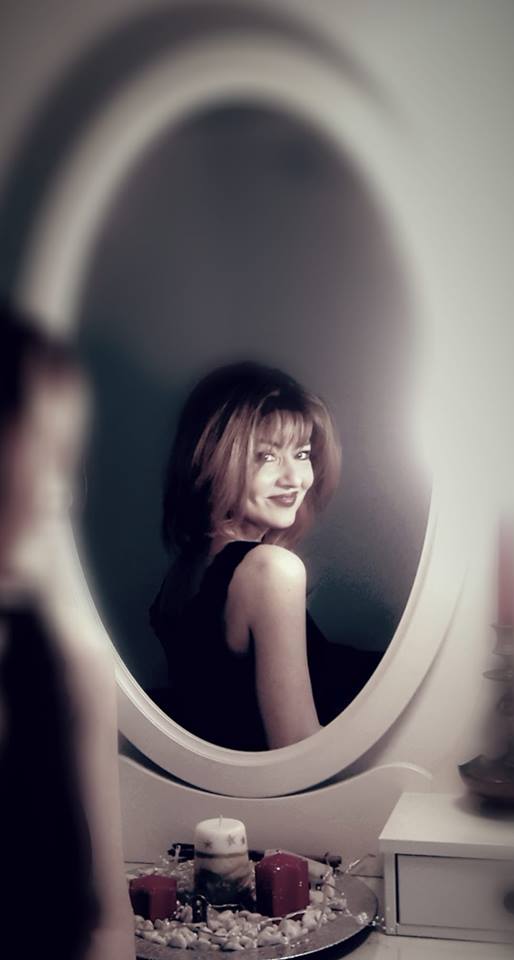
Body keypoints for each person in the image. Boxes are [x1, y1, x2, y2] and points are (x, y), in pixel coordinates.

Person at [150, 362, 383, 751]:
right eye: (266, 457)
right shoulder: (271, 570)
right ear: (213, 460)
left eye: (302, 453)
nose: (295, 478)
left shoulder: (187, 569)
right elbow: (297, 747)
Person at [0, 300, 135, 959]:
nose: (61, 495)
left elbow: (106, 921)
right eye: (47, 456)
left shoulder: (71, 665)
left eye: (67, 463)